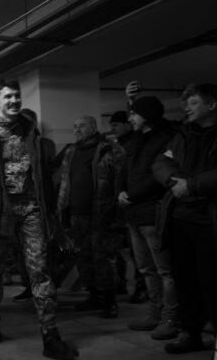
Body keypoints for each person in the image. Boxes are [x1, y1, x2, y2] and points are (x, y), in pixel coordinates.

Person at [0, 80, 78, 360]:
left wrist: (50, 214)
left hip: (31, 209)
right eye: (8, 96)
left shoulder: (30, 129)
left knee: (40, 271)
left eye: (17, 96)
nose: (14, 100)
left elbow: (41, 176)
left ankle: (50, 335)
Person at [153, 83, 217, 355]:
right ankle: (190, 332)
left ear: (212, 105)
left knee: (213, 281)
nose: (186, 108)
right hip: (181, 219)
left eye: (192, 102)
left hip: (210, 221)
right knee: (185, 280)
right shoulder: (182, 134)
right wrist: (172, 181)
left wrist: (192, 185)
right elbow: (161, 161)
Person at [118, 96, 179, 340]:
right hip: (134, 213)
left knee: (166, 270)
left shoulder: (166, 139)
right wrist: (121, 192)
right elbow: (126, 170)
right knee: (146, 268)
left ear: (148, 115)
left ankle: (171, 318)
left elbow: (158, 177)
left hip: (153, 212)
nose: (130, 117)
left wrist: (130, 194)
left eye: (134, 113)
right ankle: (154, 313)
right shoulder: (137, 140)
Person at [56, 115, 125, 319]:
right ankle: (94, 296)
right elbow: (65, 182)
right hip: (77, 214)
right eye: (74, 126)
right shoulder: (71, 151)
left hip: (102, 214)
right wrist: (62, 209)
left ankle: (109, 301)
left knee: (103, 259)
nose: (77, 130)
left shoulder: (110, 149)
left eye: (82, 126)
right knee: (83, 258)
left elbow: (120, 181)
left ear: (94, 127)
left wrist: (117, 211)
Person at [109, 110, 149, 303]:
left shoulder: (136, 143)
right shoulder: (114, 147)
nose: (112, 128)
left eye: (116, 124)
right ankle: (120, 283)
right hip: (117, 204)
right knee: (117, 247)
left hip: (133, 203)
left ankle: (142, 287)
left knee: (137, 250)